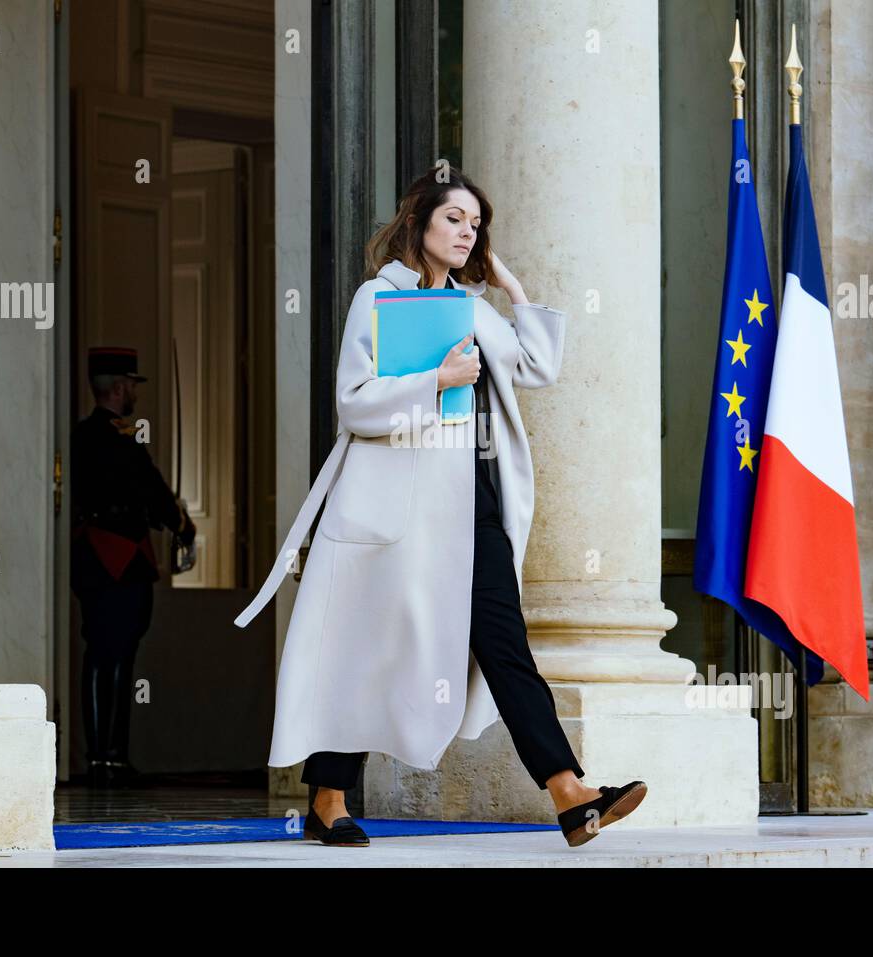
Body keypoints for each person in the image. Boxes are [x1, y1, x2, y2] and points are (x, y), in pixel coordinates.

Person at [233, 167, 646, 848]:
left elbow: (537, 365)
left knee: (506, 645)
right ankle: (327, 799)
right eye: (454, 218)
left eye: (476, 224)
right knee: (365, 644)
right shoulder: (379, 298)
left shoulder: (475, 306)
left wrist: (509, 288)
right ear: (419, 221)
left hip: (472, 509)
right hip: (393, 508)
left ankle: (570, 792)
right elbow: (354, 403)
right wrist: (438, 380)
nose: (466, 232)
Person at [71, 346, 195, 788]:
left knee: (99, 656)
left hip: (92, 560)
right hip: (120, 560)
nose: (134, 396)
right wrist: (183, 526)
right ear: (121, 388)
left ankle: (99, 757)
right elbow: (154, 493)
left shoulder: (80, 436)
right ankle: (112, 757)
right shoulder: (122, 440)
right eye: (132, 388)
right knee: (117, 657)